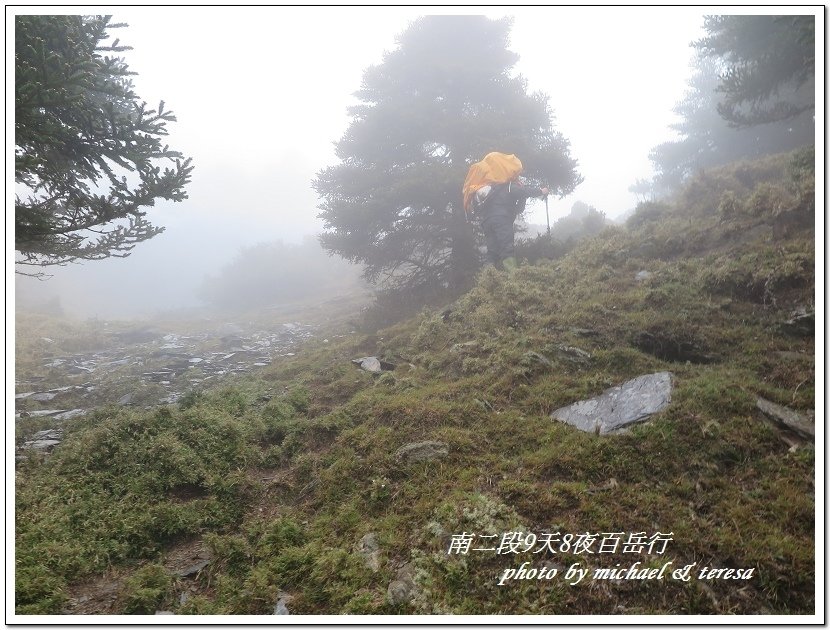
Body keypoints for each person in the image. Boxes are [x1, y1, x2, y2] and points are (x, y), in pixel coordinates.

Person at [478, 177, 548, 272]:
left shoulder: (492, 189)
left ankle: (487, 278)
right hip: (501, 220)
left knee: (492, 251)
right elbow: (525, 191)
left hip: (486, 222)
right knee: (507, 248)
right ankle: (513, 277)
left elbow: (519, 209)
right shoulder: (509, 186)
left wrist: (522, 197)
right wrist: (541, 191)